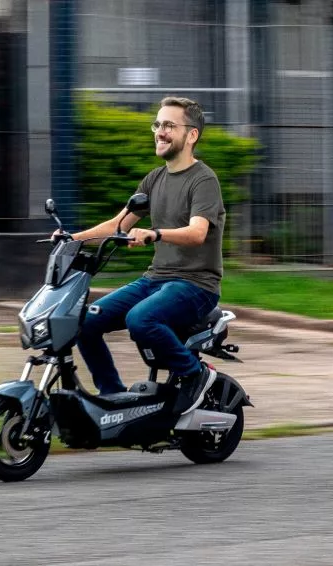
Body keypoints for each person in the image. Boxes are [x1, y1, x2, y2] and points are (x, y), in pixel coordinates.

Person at [57, 96, 225, 414]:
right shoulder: (154, 179)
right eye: (158, 125)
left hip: (196, 285)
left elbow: (197, 232)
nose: (160, 132)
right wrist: (70, 238)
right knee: (83, 322)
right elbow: (117, 225)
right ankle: (113, 400)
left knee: (140, 319)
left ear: (191, 135)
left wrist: (154, 233)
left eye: (169, 126)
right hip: (156, 279)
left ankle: (194, 374)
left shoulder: (204, 180)